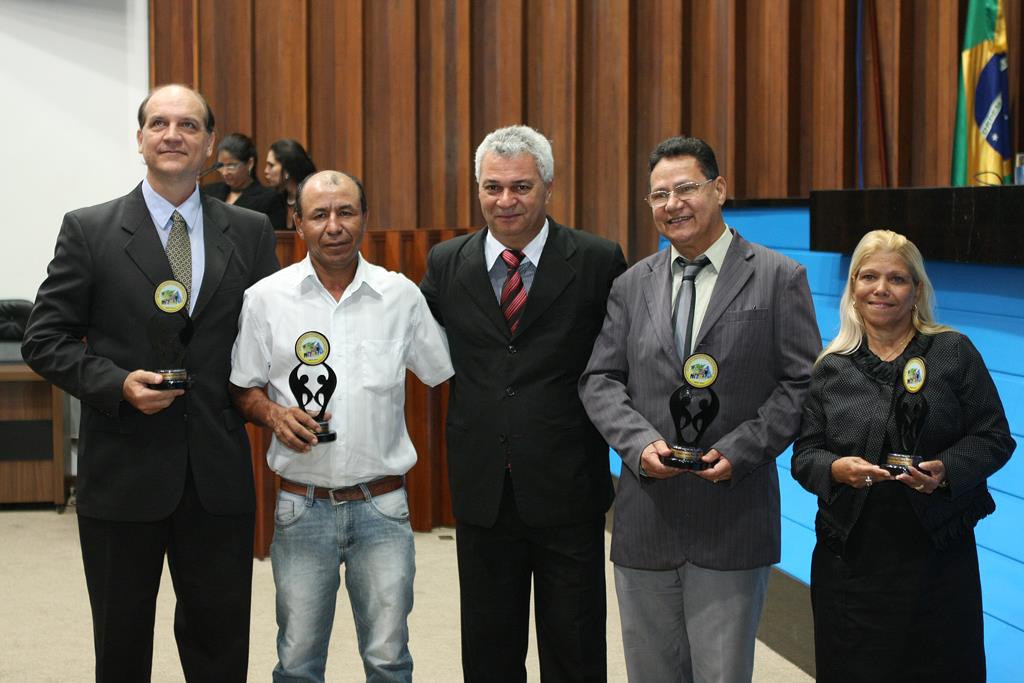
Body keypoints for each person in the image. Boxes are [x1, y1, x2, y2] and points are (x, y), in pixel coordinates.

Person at [21, 84, 279, 681]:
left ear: (210, 143)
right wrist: (115, 383)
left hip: (215, 472)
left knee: (220, 644)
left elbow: (268, 337)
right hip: (123, 470)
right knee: (121, 643)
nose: (172, 134)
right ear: (139, 139)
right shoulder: (90, 229)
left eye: (188, 125)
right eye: (158, 123)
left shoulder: (249, 231)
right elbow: (45, 339)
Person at [579, 135, 820, 682]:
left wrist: (739, 451)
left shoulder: (780, 277)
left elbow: (801, 384)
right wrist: (640, 446)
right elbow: (600, 379)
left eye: (685, 188)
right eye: (659, 195)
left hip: (731, 516)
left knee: (722, 674)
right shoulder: (629, 285)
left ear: (719, 188)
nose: (672, 204)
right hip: (646, 517)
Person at [420, 125, 627, 682]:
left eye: (521, 187)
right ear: (477, 190)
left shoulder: (597, 259)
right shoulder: (446, 262)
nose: (505, 200)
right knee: (488, 647)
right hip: (482, 486)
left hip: (568, 485)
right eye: (492, 187)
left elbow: (623, 361)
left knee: (576, 645)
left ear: (548, 188)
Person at [230, 170, 453, 682]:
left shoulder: (400, 296)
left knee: (389, 659)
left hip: (382, 506)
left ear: (365, 218)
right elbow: (243, 388)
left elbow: (443, 372)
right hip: (300, 507)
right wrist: (273, 414)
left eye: (346, 212)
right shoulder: (266, 298)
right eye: (319, 214)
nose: (334, 225)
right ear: (298, 224)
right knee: (298, 662)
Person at [791, 229, 1014, 682]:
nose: (881, 289)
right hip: (850, 562)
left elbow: (994, 436)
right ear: (853, 289)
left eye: (897, 279)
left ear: (917, 291)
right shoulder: (831, 366)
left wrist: (946, 470)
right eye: (869, 276)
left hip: (937, 558)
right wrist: (835, 468)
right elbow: (805, 454)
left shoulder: (953, 352)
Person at [204, 132, 287, 229]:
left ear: (250, 163)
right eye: (220, 166)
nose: (225, 172)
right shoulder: (209, 192)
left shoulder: (269, 199)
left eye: (231, 165)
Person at [264, 138, 317, 229]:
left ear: (287, 170)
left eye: (271, 165)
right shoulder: (274, 200)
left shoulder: (312, 198)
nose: (266, 171)